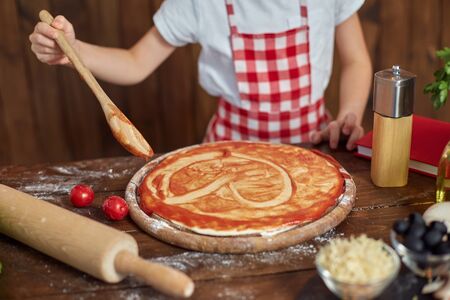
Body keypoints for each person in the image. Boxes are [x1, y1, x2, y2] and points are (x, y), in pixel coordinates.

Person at [29, 0, 372, 150]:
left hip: (312, 145)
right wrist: (73, 52)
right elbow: (135, 62)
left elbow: (356, 60)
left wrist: (347, 116)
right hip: (228, 150)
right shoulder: (198, 2)